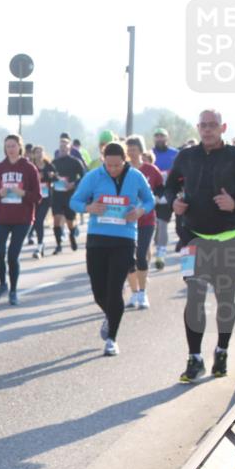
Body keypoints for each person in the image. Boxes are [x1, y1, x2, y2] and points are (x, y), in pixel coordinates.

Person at [165, 109, 235, 382]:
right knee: (194, 297)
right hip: (193, 238)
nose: (207, 129)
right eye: (203, 125)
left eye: (212, 125)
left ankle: (222, 351)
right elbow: (169, 186)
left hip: (229, 239)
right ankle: (194, 358)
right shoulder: (187, 156)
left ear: (223, 127)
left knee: (225, 300)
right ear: (198, 127)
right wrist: (174, 202)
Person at [71, 141, 155, 356]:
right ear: (103, 160)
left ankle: (111, 339)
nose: (113, 169)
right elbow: (74, 201)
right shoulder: (93, 177)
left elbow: (149, 200)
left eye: (117, 165)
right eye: (109, 165)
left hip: (124, 239)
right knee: (99, 291)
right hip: (97, 239)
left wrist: (139, 211)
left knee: (115, 289)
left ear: (125, 160)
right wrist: (89, 207)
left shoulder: (136, 176)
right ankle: (111, 315)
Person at [0, 134, 41, 305]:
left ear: (20, 147)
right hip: (2, 217)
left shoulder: (29, 168)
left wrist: (23, 193)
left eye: (13, 146)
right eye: (7, 146)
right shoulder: (0, 168)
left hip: (22, 219)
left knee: (12, 256)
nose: (10, 149)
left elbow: (37, 196)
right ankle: (3, 284)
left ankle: (13, 291)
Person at [125, 136, 162, 309]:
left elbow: (161, 189)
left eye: (134, 149)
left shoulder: (151, 170)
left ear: (141, 150)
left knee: (141, 254)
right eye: (129, 149)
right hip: (126, 220)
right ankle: (134, 293)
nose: (131, 152)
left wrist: (157, 198)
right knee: (127, 257)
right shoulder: (123, 169)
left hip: (146, 219)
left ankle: (143, 293)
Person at [51, 134, 87, 254]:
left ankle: (72, 234)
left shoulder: (75, 162)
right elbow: (48, 176)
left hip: (70, 195)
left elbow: (84, 176)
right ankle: (58, 245)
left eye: (65, 146)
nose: (62, 148)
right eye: (61, 146)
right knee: (56, 219)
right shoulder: (54, 162)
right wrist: (50, 178)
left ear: (69, 148)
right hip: (57, 195)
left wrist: (73, 184)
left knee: (70, 221)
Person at [151, 127, 180, 267]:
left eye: (162, 136)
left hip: (167, 191)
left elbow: (180, 171)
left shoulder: (175, 154)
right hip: (151, 192)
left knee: (162, 223)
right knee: (154, 224)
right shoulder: (149, 153)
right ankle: (157, 244)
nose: (159, 138)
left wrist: (168, 174)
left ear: (167, 138)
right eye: (157, 136)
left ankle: (161, 254)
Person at [28, 145, 55, 259]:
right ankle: (40, 244)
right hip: (34, 198)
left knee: (39, 220)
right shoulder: (31, 166)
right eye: (37, 152)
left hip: (46, 198)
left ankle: (39, 245)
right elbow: (26, 181)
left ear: (44, 153)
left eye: (41, 152)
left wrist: (52, 176)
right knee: (35, 221)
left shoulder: (49, 165)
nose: (39, 154)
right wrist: (36, 178)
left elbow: (56, 178)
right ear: (33, 155)